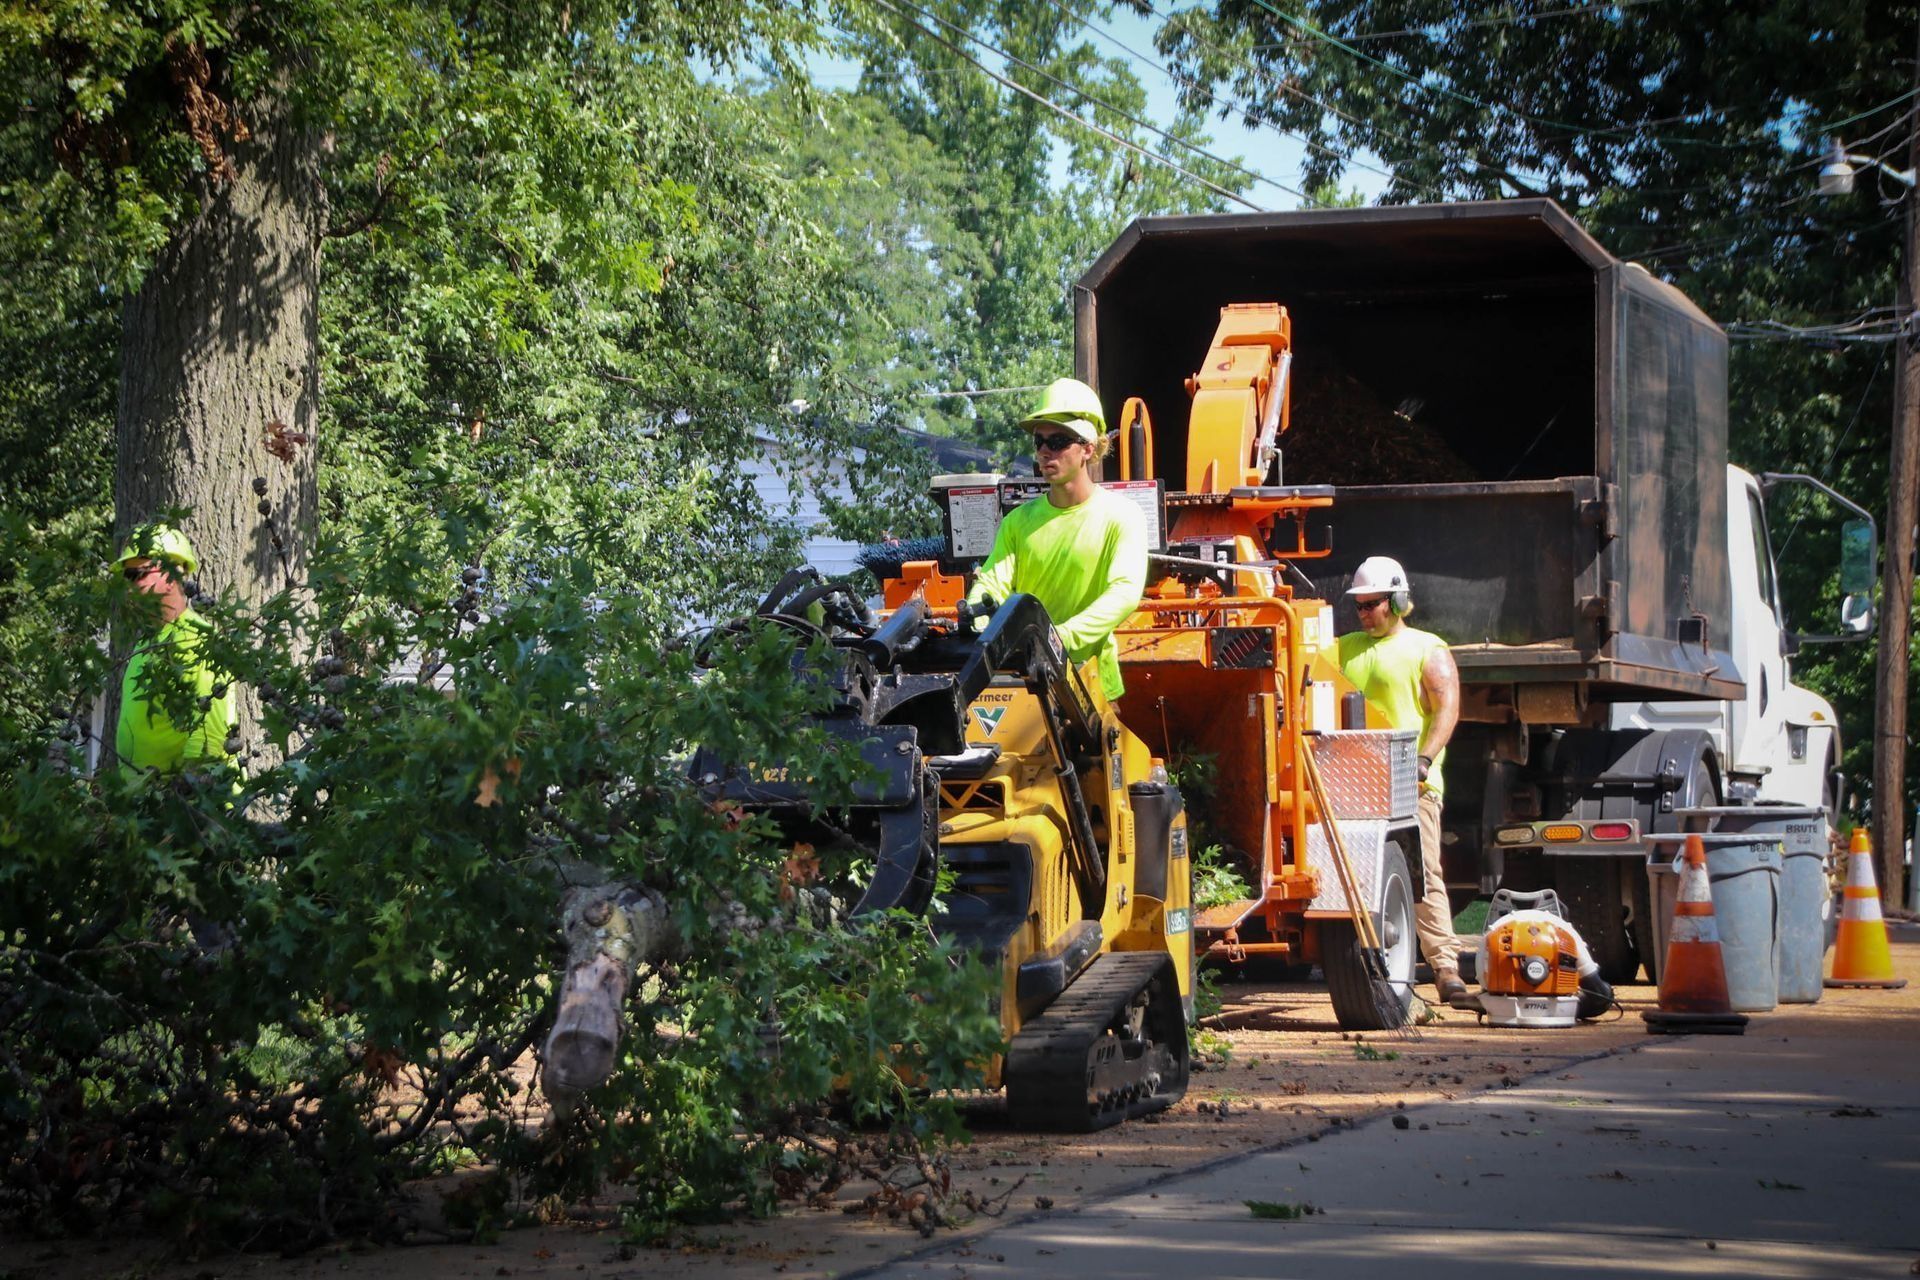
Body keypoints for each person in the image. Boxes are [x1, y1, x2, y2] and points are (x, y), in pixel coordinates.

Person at [966, 378, 1147, 701]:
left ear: (1088, 448)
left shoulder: (1122, 516)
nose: (1045, 451)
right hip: (1025, 678)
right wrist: (978, 622)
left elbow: (1123, 593)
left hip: (1090, 686)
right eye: (1039, 442)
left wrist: (1056, 637)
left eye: (1059, 441)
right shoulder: (1017, 524)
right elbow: (991, 585)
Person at [1337, 554, 1465, 1004]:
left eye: (1372, 604)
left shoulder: (1428, 650)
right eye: (1359, 606)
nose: (1363, 613)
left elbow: (1447, 709)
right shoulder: (1343, 648)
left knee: (1424, 874)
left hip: (1411, 784)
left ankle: (1446, 969)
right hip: (1349, 784)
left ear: (1397, 601)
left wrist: (1425, 760)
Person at [114, 523, 235, 776]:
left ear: (172, 574)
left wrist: (182, 802)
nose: (130, 585)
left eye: (137, 574)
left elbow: (209, 738)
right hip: (144, 806)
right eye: (127, 577)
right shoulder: (147, 642)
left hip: (182, 806)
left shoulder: (197, 640)